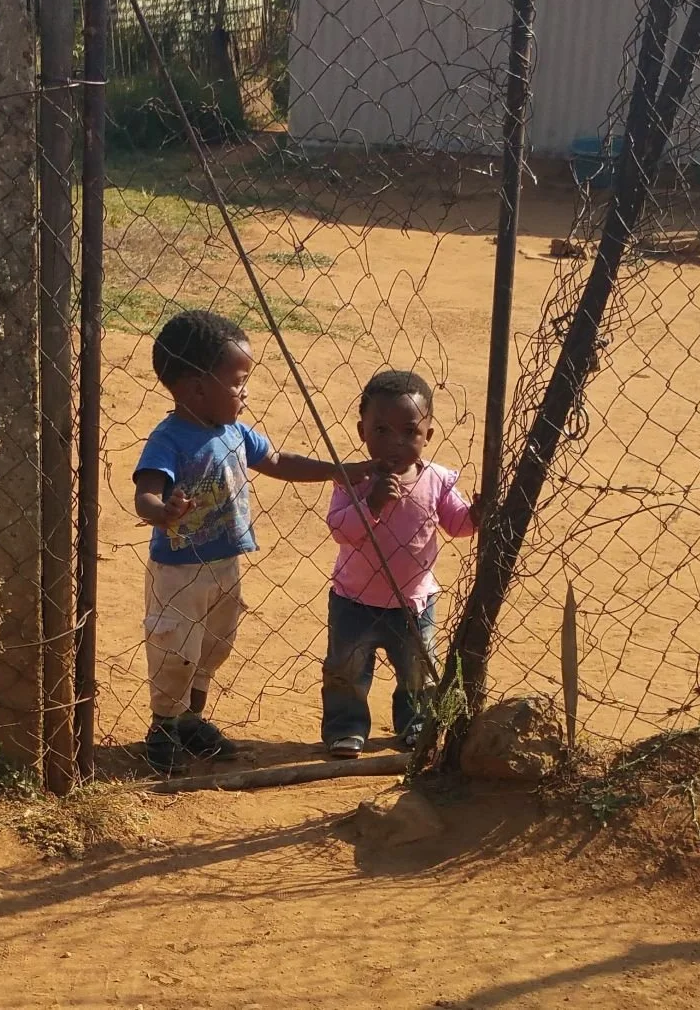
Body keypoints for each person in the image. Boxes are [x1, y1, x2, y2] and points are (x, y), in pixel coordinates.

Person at [133, 309, 371, 776]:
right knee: (175, 649)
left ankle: (190, 721)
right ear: (197, 388)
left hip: (225, 564)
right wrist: (163, 512)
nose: (245, 391)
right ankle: (163, 727)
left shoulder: (235, 432)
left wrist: (334, 470)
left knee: (213, 646)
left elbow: (278, 460)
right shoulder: (170, 439)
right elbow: (146, 491)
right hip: (179, 572)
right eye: (238, 380)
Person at [322, 368, 477, 758]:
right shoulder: (352, 479)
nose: (395, 442)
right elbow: (340, 530)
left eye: (409, 432)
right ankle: (346, 729)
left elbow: (456, 524)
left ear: (428, 435)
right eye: (381, 431)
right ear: (362, 431)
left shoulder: (437, 479)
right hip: (353, 600)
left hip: (414, 602)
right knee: (347, 671)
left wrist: (478, 513)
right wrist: (370, 502)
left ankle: (415, 725)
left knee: (417, 672)